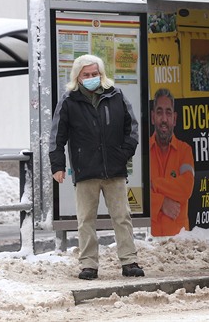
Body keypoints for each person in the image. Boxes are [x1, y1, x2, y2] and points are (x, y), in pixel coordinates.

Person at [49, 54, 144, 280]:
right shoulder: (69, 101)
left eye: (95, 74)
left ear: (101, 74)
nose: (91, 78)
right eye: (86, 75)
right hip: (86, 171)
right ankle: (88, 265)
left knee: (122, 217)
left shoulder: (116, 95)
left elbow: (131, 128)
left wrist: (123, 155)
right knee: (85, 220)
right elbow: (56, 137)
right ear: (78, 77)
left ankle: (129, 262)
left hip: (115, 170)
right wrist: (58, 165)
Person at [149, 88, 195, 236]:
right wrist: (161, 203)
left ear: (174, 119)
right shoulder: (142, 152)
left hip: (179, 242)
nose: (164, 119)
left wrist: (155, 184)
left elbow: (186, 188)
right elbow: (136, 198)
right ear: (152, 117)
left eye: (168, 113)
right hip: (149, 242)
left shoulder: (185, 150)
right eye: (159, 112)